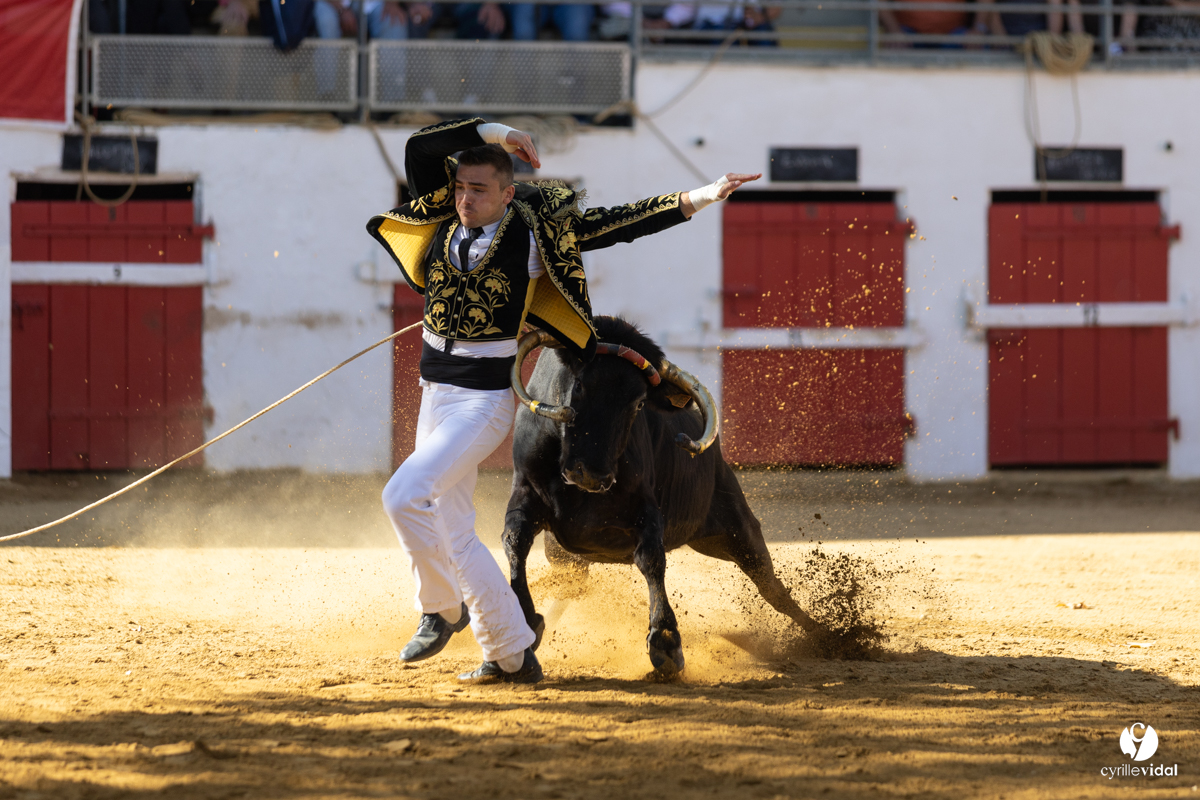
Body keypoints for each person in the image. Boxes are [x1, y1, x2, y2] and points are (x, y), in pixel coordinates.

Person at [366, 118, 758, 684]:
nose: (465, 199)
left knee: (404, 495)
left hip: (481, 400)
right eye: (460, 189)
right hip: (436, 392)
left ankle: (441, 608)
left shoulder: (533, 235)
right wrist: (498, 133)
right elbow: (419, 147)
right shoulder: (443, 218)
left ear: (508, 193)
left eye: (479, 190)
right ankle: (511, 652)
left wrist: (701, 195)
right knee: (452, 528)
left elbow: (619, 224)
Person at [511, 2, 595, 40]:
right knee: (524, 18)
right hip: (533, 4)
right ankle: (525, 73)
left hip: (569, 4)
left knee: (577, 22)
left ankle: (575, 74)